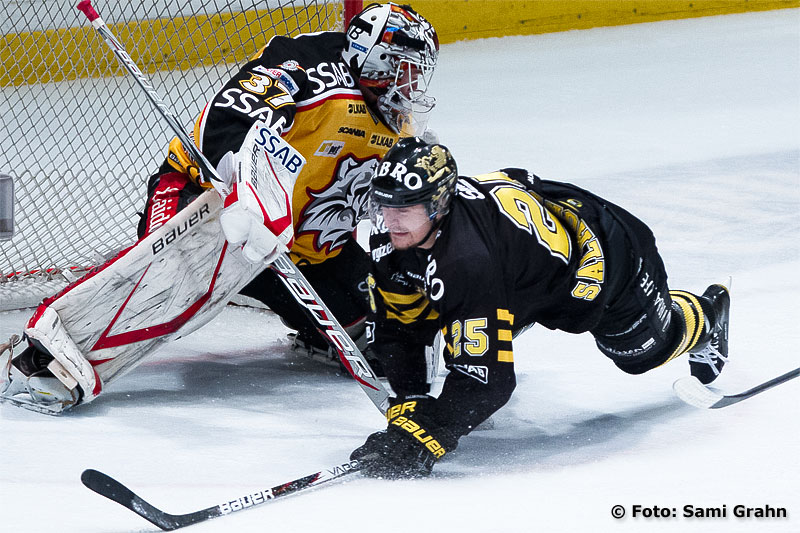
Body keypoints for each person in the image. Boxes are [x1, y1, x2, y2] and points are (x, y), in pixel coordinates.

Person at [1, 3, 439, 412]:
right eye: (407, 70)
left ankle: (321, 333)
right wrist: (250, 194)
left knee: (386, 341)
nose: (414, 85)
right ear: (378, 60)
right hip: (208, 202)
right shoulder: (310, 69)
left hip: (292, 251)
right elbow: (226, 118)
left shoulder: (395, 119)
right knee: (165, 283)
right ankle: (37, 354)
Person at [350, 137, 730, 478]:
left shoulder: (467, 259)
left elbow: (489, 382)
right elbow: (399, 327)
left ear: (438, 205)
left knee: (638, 355)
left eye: (406, 209)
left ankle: (708, 315)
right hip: (522, 275)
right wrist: (411, 403)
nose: (390, 221)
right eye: (384, 206)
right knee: (448, 317)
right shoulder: (396, 234)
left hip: (603, 260)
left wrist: (428, 432)